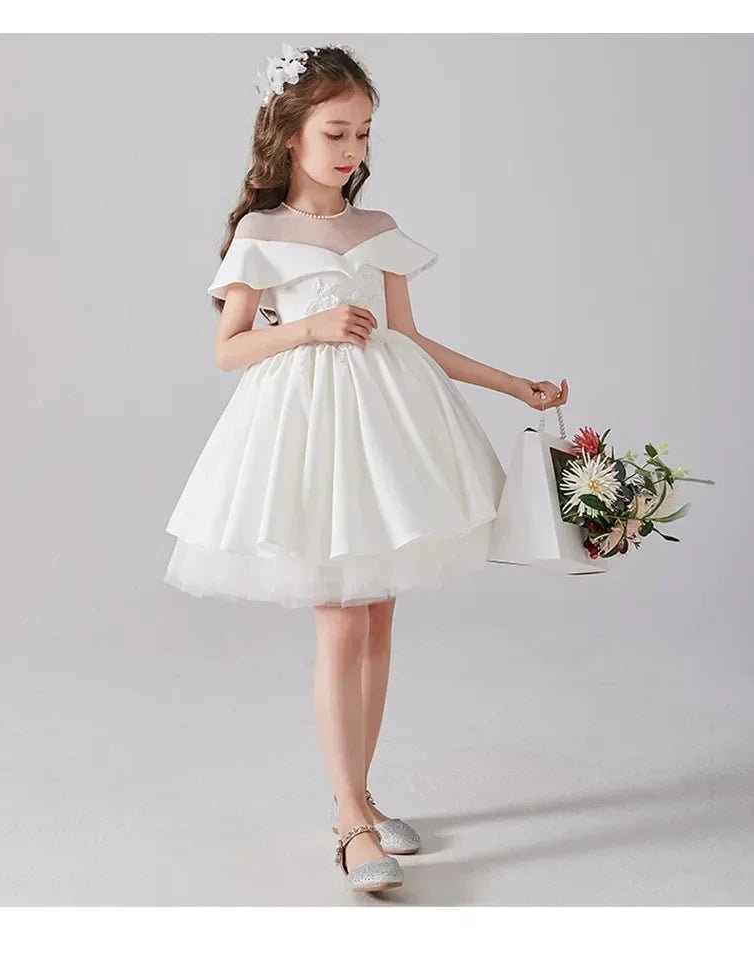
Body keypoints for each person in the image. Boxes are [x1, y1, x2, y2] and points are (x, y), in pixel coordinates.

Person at [163, 42, 569, 893]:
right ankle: (348, 819)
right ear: (288, 137)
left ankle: (362, 794)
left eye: (363, 134)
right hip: (310, 433)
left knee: (378, 615)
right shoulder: (262, 231)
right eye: (336, 133)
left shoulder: (376, 230)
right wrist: (308, 327)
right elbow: (228, 348)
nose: (352, 153)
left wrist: (514, 386)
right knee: (341, 619)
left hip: (387, 426)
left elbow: (411, 337)